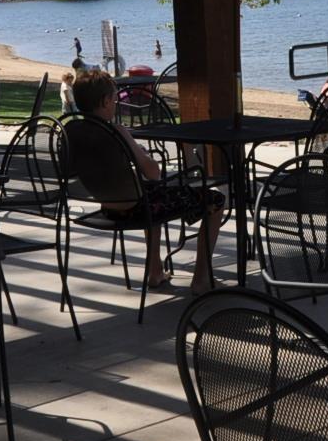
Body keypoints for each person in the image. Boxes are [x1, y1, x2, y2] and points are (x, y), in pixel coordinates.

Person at [67, 68, 224, 294]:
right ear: (104, 101)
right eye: (113, 99)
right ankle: (201, 279)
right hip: (137, 208)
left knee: (151, 195)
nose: (115, 104)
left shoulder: (71, 131)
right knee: (216, 200)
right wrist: (139, 152)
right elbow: (152, 172)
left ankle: (155, 271)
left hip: (108, 208)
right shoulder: (116, 132)